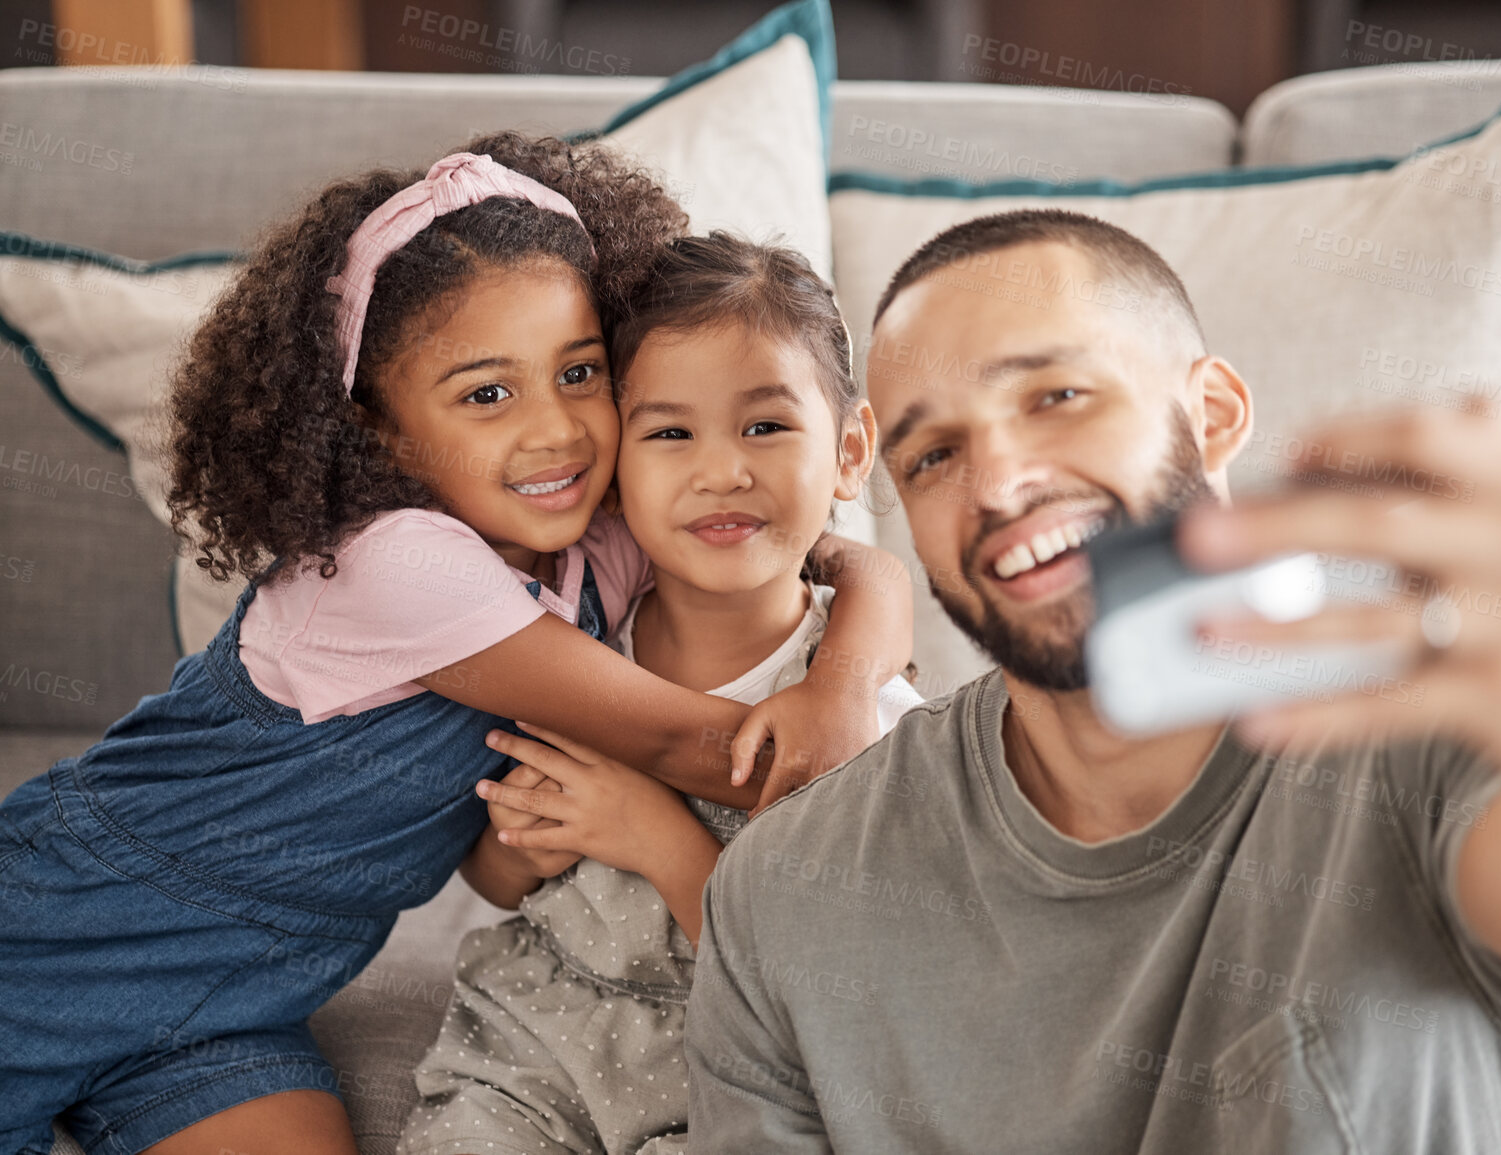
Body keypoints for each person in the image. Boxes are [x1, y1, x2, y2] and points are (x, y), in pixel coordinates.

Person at [683, 208, 1501, 1152]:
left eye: (1058, 396)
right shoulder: (788, 898)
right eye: (934, 457)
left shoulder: (1438, 715)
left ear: (1217, 414)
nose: (997, 482)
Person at [0, 136, 911, 1155]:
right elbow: (717, 758)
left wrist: (846, 676)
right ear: (383, 432)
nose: (556, 431)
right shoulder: (398, 565)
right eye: (487, 394)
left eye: (580, 373)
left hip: (230, 1009)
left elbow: (842, 559)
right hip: (55, 938)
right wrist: (843, 720)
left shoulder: (596, 543)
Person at [402, 232, 924, 1155]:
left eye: (765, 426)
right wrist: (522, 845)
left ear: (849, 452)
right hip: (541, 1041)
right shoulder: (579, 644)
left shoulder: (864, 721)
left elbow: (826, 986)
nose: (721, 470)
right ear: (611, 468)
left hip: (750, 1067)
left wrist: (652, 833)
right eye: (670, 432)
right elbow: (493, 870)